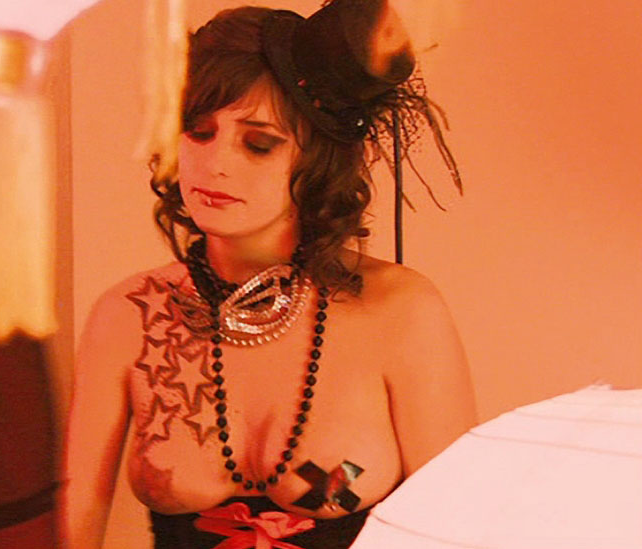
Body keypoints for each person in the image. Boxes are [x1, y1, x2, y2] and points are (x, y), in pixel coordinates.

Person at [63, 2, 476, 547]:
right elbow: (67, 530)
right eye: (198, 132)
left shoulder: (402, 311)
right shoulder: (127, 314)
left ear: (317, 160)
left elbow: (455, 532)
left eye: (258, 143)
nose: (216, 163)